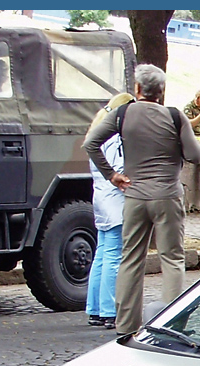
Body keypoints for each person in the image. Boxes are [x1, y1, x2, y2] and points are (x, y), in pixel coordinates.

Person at [84, 64, 200, 335]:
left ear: (138, 89)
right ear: (162, 92)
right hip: (168, 195)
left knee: (131, 258)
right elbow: (195, 156)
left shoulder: (122, 113)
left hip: (134, 195)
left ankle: (125, 324)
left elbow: (91, 142)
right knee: (171, 258)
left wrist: (112, 175)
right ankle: (171, 324)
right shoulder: (175, 117)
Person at [84, 93, 133, 330]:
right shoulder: (115, 139)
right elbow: (120, 169)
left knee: (102, 253)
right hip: (115, 199)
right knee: (113, 254)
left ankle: (95, 308)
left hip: (101, 198)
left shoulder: (97, 134)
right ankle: (109, 309)